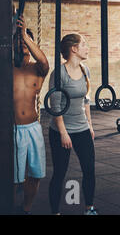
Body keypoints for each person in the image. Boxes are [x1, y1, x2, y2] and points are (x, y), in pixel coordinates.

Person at [48, 33, 98, 215]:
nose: (87, 47)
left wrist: (90, 125)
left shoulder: (85, 70)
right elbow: (55, 106)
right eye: (83, 44)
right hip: (62, 130)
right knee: (60, 173)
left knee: (89, 169)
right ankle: (55, 212)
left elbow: (86, 100)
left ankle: (89, 209)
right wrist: (63, 133)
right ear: (74, 49)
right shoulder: (59, 74)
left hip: (82, 128)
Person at [13, 13, 49, 214]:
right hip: (13, 128)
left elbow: (44, 61)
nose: (23, 45)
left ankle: (26, 210)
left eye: (26, 41)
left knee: (35, 174)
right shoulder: (8, 69)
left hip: (33, 128)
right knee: (12, 177)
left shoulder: (38, 69)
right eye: (18, 41)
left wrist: (25, 34)